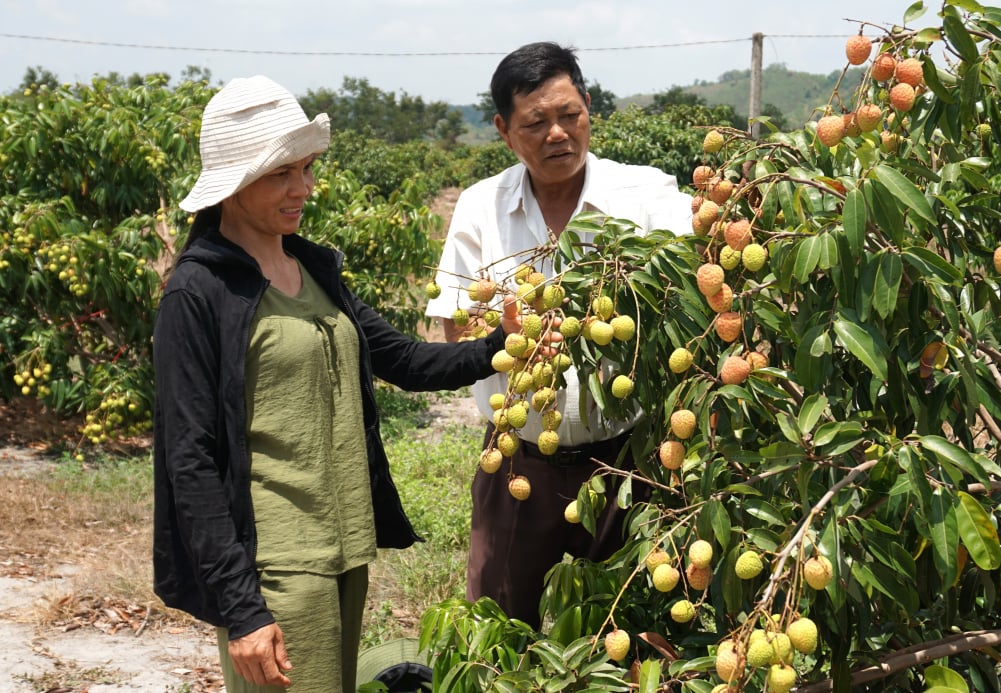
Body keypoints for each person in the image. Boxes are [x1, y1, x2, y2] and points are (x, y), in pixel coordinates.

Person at [152, 75, 517, 692]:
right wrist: (243, 609)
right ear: (235, 183)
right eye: (281, 174)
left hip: (345, 552)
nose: (303, 188)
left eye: (307, 168)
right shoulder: (199, 291)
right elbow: (189, 459)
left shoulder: (312, 268)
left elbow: (403, 360)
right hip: (277, 562)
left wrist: (502, 346)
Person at [425, 42, 692, 629]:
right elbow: (455, 325)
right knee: (500, 632)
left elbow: (693, 300)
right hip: (518, 463)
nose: (557, 135)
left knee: (633, 630)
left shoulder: (647, 197)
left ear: (589, 107)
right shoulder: (479, 208)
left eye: (569, 115)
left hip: (631, 461)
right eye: (535, 123)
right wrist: (503, 331)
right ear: (502, 129)